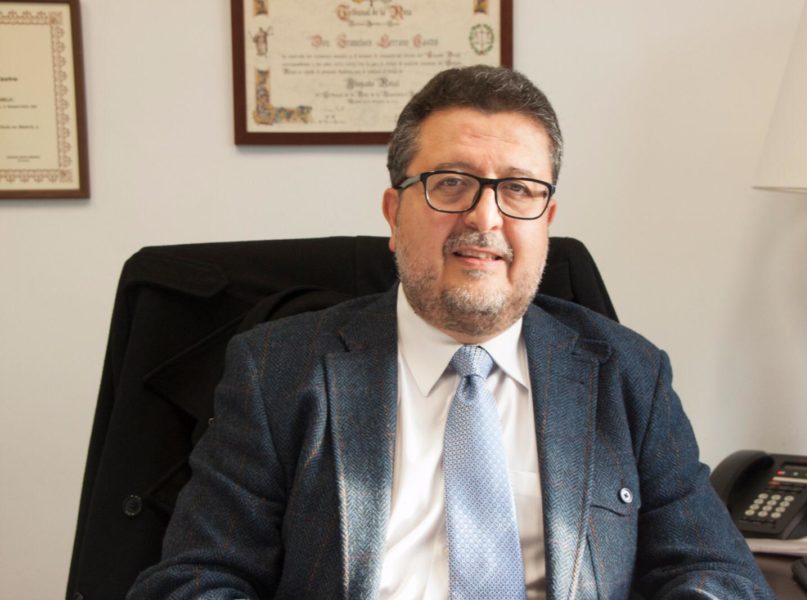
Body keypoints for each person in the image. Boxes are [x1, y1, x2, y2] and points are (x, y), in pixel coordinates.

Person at [128, 66, 774, 599]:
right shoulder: (277, 370)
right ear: (394, 213)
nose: (484, 218)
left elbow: (716, 574)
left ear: (547, 220)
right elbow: (194, 580)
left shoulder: (629, 374)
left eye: (518, 190)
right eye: (451, 184)